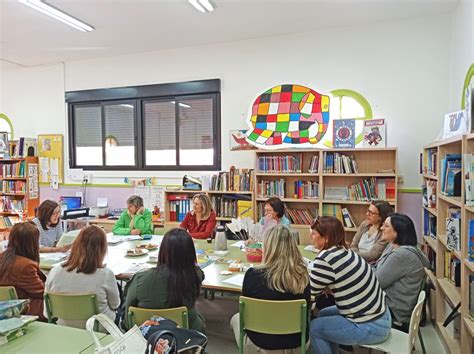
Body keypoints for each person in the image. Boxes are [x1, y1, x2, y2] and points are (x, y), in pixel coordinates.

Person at [308, 216, 391, 354]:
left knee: (314, 328)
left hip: (370, 326)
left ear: (326, 238)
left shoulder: (325, 259)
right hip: (381, 316)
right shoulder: (344, 251)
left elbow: (309, 294)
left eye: (314, 234)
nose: (311, 236)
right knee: (322, 313)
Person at [230, 225, 310, 352]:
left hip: (260, 343)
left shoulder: (252, 274)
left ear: (267, 247)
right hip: (296, 344)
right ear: (293, 247)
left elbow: (246, 310)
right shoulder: (303, 275)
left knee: (236, 318)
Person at [123, 228, 205, 333]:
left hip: (147, 335)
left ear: (163, 251)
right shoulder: (195, 275)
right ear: (190, 253)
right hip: (187, 334)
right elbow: (198, 271)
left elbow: (127, 317)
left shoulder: (141, 279)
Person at [45, 225, 120, 329]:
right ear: (102, 249)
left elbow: (46, 312)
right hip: (98, 328)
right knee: (121, 309)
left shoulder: (54, 272)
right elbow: (115, 305)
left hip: (63, 326)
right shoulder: (106, 275)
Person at [374, 213, 430, 331]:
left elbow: (376, 283)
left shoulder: (402, 255)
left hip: (393, 312)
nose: (381, 228)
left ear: (398, 231)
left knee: (343, 305)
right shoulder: (394, 246)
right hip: (394, 305)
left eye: (386, 226)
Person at [0, 222, 46, 320]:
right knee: (60, 302)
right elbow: (42, 293)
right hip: (24, 307)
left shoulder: (3, 257)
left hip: (5, 305)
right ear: (32, 242)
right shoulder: (26, 266)